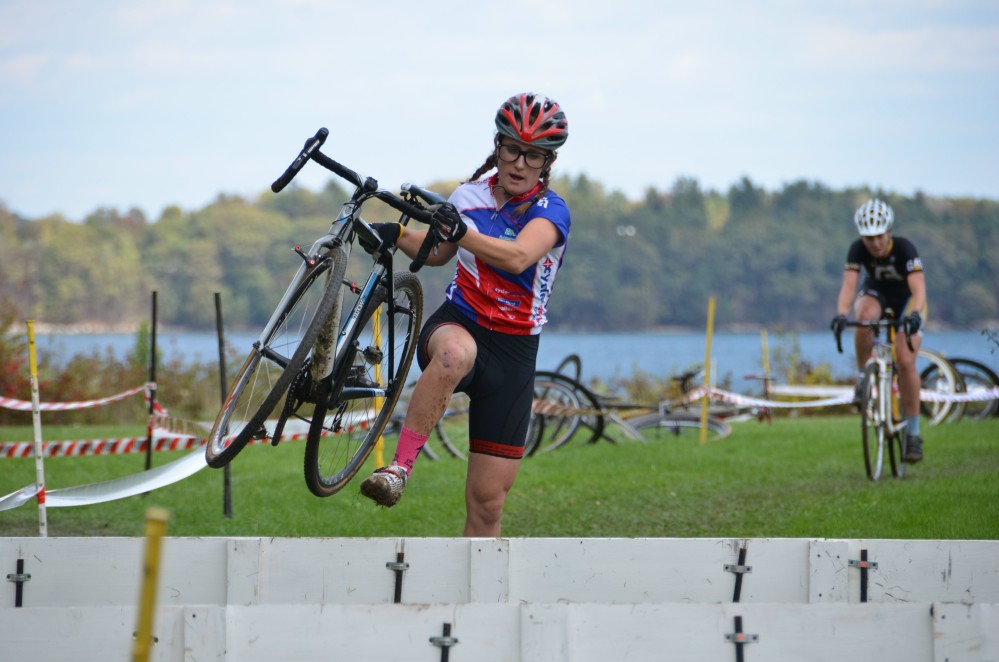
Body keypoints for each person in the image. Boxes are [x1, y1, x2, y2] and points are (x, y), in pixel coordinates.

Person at [357, 92, 571, 536]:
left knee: (487, 506)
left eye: (533, 156)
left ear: (546, 162)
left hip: (514, 354)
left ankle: (475, 602)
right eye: (512, 148)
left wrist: (461, 231)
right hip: (460, 320)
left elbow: (516, 258)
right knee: (455, 354)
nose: (518, 163)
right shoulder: (467, 196)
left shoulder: (551, 212)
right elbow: (438, 251)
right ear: (498, 145)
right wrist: (398, 233)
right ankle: (398, 469)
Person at [831, 198, 927, 462]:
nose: (874, 243)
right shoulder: (857, 250)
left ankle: (914, 435)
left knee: (906, 360)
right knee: (862, 317)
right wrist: (841, 314)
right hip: (876, 295)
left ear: (889, 231)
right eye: (868, 238)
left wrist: (915, 315)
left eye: (879, 236)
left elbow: (919, 289)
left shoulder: (905, 248)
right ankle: (863, 376)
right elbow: (849, 287)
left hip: (908, 302)